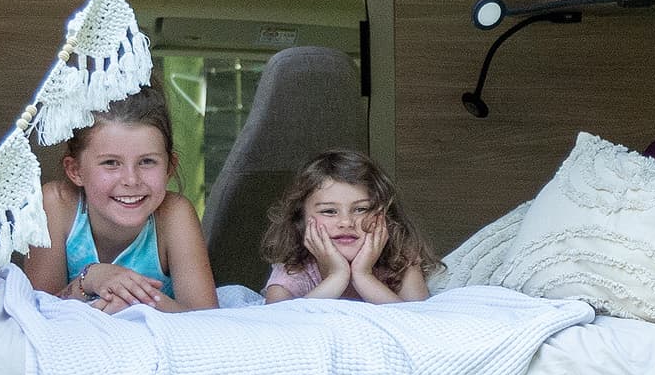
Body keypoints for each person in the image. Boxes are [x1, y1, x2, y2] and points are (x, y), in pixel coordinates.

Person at [23, 89, 219, 313]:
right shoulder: (55, 205)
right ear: (75, 170)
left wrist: (134, 301)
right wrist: (89, 279)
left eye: (147, 161)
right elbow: (36, 315)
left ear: (169, 168)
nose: (131, 180)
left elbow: (205, 321)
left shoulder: (174, 215)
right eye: (110, 163)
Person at [260, 149, 435, 305]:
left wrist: (363, 275)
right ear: (300, 219)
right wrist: (337, 276)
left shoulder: (402, 261)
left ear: (385, 216)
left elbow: (417, 323)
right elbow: (280, 324)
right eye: (329, 211)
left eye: (361, 209)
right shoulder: (293, 270)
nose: (346, 222)